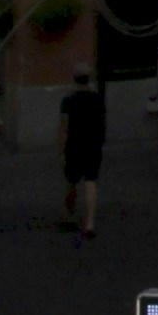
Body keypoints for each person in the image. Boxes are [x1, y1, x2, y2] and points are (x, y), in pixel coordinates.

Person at [58, 65, 106, 240]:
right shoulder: (98, 99)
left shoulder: (68, 101)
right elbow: (102, 122)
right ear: (89, 79)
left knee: (71, 181)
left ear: (75, 80)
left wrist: (60, 150)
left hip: (74, 145)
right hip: (93, 145)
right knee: (91, 181)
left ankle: (68, 215)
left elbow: (64, 127)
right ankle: (90, 223)